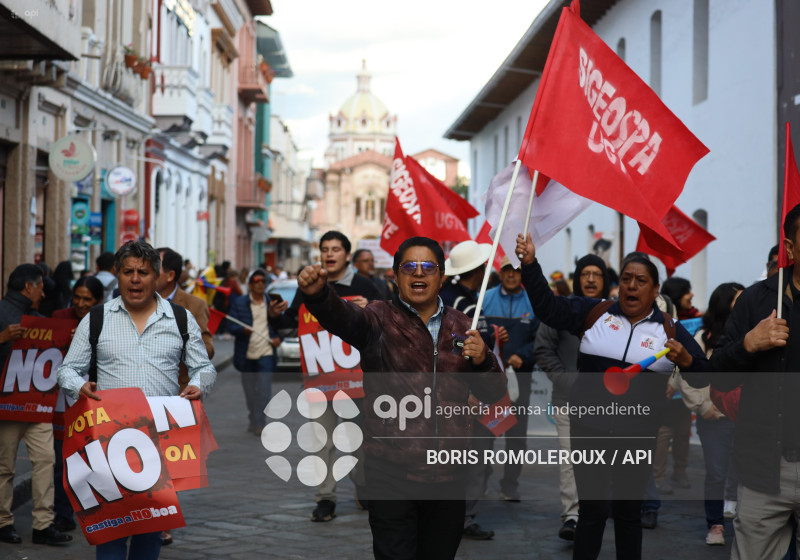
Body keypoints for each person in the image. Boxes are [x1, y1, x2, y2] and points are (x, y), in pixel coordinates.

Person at [298, 235, 505, 559]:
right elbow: (344, 317)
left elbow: (494, 393)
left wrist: (484, 361)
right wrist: (319, 295)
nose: (418, 274)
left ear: (442, 277)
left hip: (449, 476)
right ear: (395, 274)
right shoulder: (378, 319)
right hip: (391, 473)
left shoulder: (465, 327)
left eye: (428, 267)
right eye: (409, 266)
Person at [515, 233, 708, 560]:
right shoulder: (593, 313)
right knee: (592, 512)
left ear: (655, 290)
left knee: (628, 514)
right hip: (589, 431)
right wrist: (530, 265)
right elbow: (547, 308)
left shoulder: (671, 330)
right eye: (627, 279)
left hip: (638, 436)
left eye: (641, 280)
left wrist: (688, 362)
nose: (632, 286)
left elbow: (705, 375)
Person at [58, 241, 216, 560]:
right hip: (108, 441)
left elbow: (203, 367)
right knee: (111, 529)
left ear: (157, 277)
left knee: (150, 530)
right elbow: (67, 369)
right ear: (117, 275)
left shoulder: (180, 319)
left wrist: (199, 385)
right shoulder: (97, 319)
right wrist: (80, 386)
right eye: (128, 271)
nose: (135, 279)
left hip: (160, 439)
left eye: (143, 272)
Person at [709, 203, 800, 559]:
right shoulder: (755, 300)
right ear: (789, 249)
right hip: (764, 469)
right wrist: (750, 344)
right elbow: (717, 374)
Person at [274, 230, 380, 522]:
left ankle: (364, 485)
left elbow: (387, 322)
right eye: (325, 249)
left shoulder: (365, 285)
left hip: (359, 381)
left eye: (336, 249)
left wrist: (369, 310)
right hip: (320, 380)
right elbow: (288, 322)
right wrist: (275, 315)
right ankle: (325, 498)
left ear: (347, 255)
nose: (330, 254)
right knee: (322, 441)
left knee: (361, 442)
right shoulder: (307, 285)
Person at [533, 253, 610, 541]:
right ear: (577, 279)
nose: (591, 279)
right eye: (585, 274)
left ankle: (598, 509)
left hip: (610, 404)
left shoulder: (618, 313)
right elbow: (543, 350)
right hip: (569, 401)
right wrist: (570, 382)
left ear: (605, 280)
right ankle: (573, 515)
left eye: (597, 274)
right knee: (571, 459)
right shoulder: (561, 310)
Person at [0, 264, 72, 546]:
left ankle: (43, 524)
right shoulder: (3, 314)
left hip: (36, 406)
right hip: (8, 406)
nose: (43, 292)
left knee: (45, 461)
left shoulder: (40, 319)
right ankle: (4, 522)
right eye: (41, 287)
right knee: (5, 466)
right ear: (28, 287)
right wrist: (3, 339)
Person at [155, 247, 216, 547]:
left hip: (176, 394)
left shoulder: (192, 304)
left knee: (170, 463)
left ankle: (164, 521)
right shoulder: (128, 301)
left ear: (169, 275)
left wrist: (179, 342)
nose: (143, 274)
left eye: (153, 267)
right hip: (137, 395)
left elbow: (208, 348)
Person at [677, 282, 743, 546]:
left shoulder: (750, 332)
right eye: (738, 299)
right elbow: (687, 374)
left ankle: (743, 521)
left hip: (746, 416)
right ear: (724, 303)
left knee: (744, 472)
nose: (745, 302)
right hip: (715, 418)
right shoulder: (703, 336)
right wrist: (703, 406)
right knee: (716, 472)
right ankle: (715, 524)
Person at [440, 239, 498, 540]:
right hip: (470, 395)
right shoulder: (462, 303)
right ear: (477, 270)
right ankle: (462, 518)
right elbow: (455, 346)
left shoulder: (453, 298)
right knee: (474, 459)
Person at [482, 256, 540, 503]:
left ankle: (510, 484)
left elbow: (541, 340)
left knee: (516, 434)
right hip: (489, 378)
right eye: (507, 270)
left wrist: (522, 356)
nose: (512, 275)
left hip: (521, 378)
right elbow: (474, 334)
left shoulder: (534, 301)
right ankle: (480, 479)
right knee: (485, 432)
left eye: (517, 271)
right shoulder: (485, 299)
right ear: (501, 272)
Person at [51, 276, 105, 534]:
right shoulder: (59, 316)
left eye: (88, 299)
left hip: (95, 398)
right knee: (63, 456)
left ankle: (92, 508)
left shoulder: (104, 320)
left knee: (92, 457)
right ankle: (63, 512)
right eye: (78, 298)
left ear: (98, 301)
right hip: (63, 400)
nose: (81, 304)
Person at [228, 268, 285, 435]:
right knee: (250, 392)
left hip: (266, 352)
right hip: (246, 354)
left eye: (263, 281)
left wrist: (278, 339)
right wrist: (242, 330)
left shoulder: (272, 302)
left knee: (265, 390)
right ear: (250, 285)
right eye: (256, 281)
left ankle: (260, 422)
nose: (260, 284)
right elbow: (230, 326)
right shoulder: (240, 303)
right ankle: (254, 416)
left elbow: (282, 325)